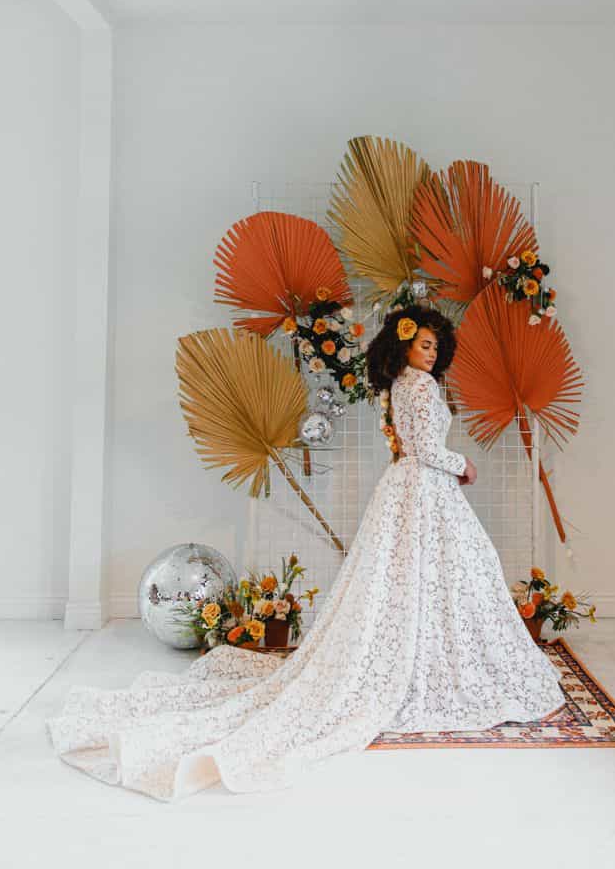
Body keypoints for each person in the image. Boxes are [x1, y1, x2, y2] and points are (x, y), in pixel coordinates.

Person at [46, 305, 566, 802]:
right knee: (434, 576)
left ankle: (418, 654)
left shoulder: (396, 386)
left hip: (404, 487)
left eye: (435, 347)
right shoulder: (423, 387)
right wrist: (463, 465)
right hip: (426, 486)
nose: (431, 354)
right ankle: (431, 661)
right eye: (424, 345)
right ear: (404, 346)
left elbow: (409, 447)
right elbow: (427, 451)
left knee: (405, 578)